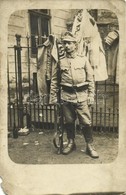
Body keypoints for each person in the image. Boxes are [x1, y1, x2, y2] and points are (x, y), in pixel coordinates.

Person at [50, 31, 99, 158]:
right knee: (69, 122)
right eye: (64, 43)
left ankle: (89, 145)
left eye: (69, 43)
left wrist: (91, 95)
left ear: (75, 45)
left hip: (82, 96)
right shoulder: (60, 61)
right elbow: (54, 80)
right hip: (66, 97)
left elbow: (90, 80)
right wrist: (54, 97)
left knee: (86, 122)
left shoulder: (83, 60)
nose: (66, 46)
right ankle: (71, 142)